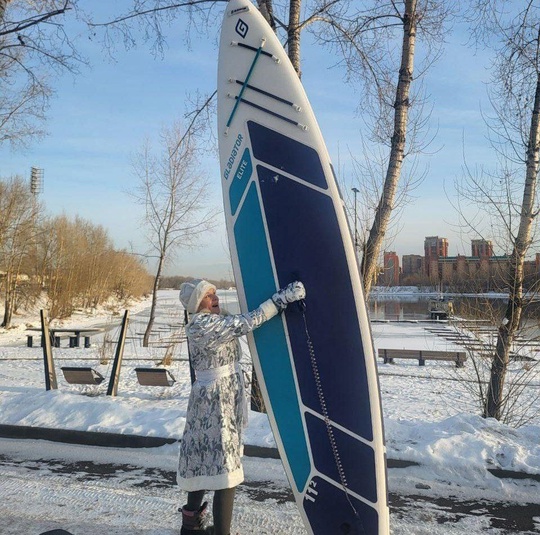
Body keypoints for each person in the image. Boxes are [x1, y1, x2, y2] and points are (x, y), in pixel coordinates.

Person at [177, 278, 306, 535]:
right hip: (215, 405)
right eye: (208, 296)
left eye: (215, 294)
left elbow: (234, 322)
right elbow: (247, 322)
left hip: (217, 399)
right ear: (196, 305)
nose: (215, 298)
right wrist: (280, 300)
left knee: (202, 460)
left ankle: (190, 527)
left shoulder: (210, 322)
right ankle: (220, 531)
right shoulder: (202, 326)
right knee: (226, 467)